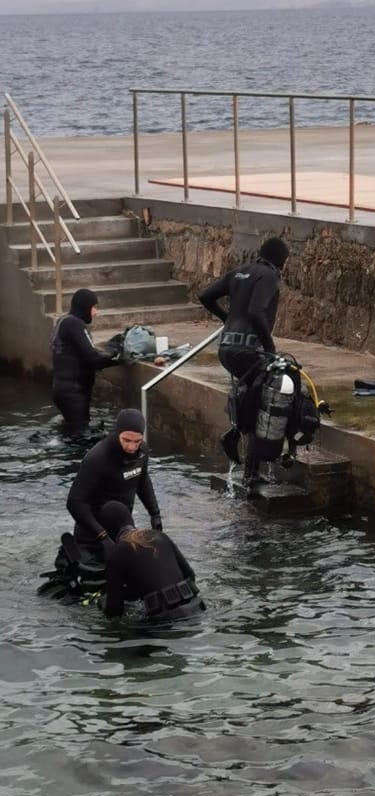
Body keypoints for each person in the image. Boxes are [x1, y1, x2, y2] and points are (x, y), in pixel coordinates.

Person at [198, 236, 290, 483]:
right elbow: (256, 312)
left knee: (252, 396)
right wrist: (270, 348)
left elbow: (205, 296)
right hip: (249, 351)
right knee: (266, 402)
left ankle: (237, 435)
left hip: (226, 348)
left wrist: (226, 320)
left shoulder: (240, 272)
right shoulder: (269, 276)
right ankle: (251, 471)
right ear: (282, 261)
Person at [65, 408, 162, 566]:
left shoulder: (142, 452)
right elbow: (75, 502)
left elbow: (142, 480)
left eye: (137, 441)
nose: (131, 447)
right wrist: (101, 536)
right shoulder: (97, 458)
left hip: (121, 531)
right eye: (126, 440)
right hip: (93, 535)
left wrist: (155, 513)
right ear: (117, 434)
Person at [96, 500, 204, 622]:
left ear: (108, 530)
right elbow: (190, 576)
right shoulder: (159, 536)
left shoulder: (116, 555)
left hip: (165, 624)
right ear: (130, 519)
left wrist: (102, 602)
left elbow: (114, 611)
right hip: (197, 610)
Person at [49, 287, 121, 439]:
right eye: (94, 307)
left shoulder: (64, 321)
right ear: (84, 307)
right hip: (73, 394)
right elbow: (93, 359)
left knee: (73, 432)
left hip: (64, 391)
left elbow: (83, 355)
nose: (96, 312)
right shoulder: (76, 324)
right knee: (80, 440)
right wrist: (116, 355)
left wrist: (110, 353)